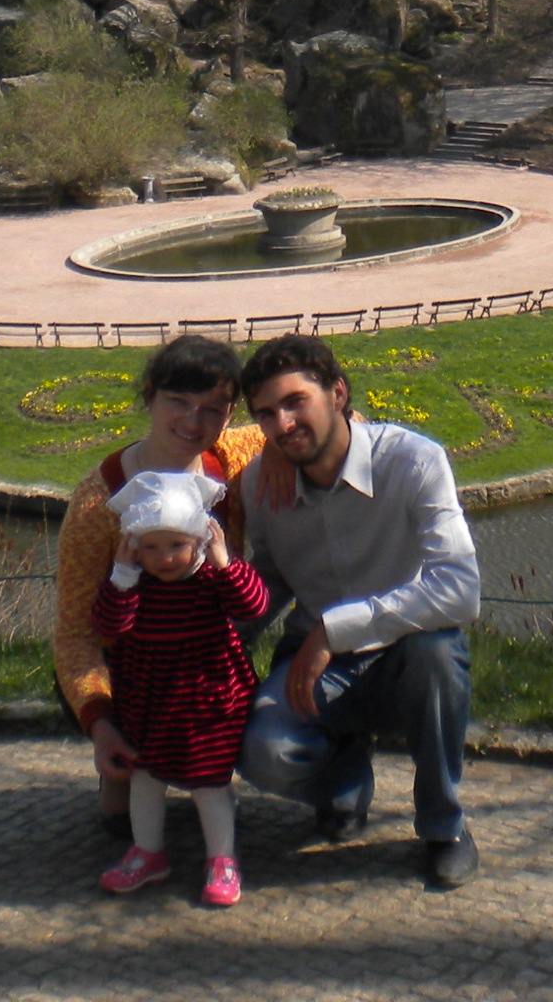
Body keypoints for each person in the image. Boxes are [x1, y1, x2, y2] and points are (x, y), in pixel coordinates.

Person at [234, 334, 483, 888]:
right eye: (266, 414)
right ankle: (344, 776)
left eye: (295, 402)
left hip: (406, 651)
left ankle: (444, 826)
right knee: (262, 751)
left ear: (339, 394)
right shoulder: (260, 481)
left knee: (438, 659)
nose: (282, 424)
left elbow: (460, 589)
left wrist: (335, 629)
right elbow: (272, 573)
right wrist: (215, 639)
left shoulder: (413, 461)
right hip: (317, 661)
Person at [52, 337, 264, 837]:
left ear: (230, 414)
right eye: (178, 402)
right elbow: (76, 633)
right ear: (149, 396)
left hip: (204, 657)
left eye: (213, 409)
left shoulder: (230, 458)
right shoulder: (97, 503)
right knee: (120, 815)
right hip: (132, 667)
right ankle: (127, 773)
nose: (194, 421)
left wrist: (344, 425)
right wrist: (100, 719)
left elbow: (311, 420)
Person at [91, 469, 269, 906]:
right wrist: (122, 575)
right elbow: (109, 625)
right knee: (146, 776)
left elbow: (253, 606)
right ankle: (147, 852)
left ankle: (222, 859)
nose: (164, 558)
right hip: (148, 698)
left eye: (176, 545)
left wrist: (225, 562)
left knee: (209, 782)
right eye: (151, 548)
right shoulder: (134, 584)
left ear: (199, 540)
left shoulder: (212, 579)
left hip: (206, 701)